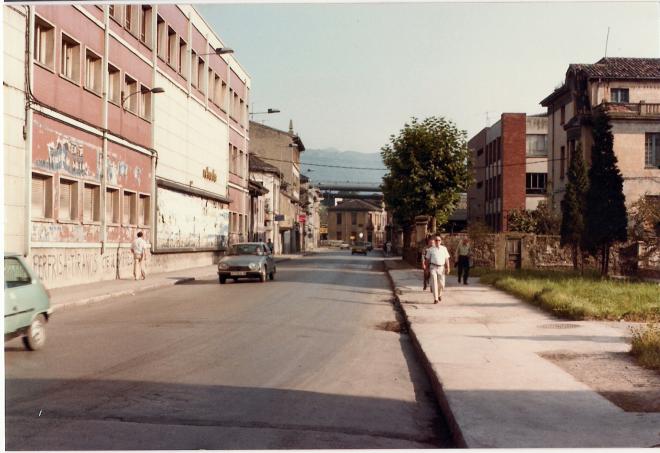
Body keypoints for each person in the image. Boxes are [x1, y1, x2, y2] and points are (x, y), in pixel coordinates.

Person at [424, 235, 451, 304]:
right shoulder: (431, 249)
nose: (437, 241)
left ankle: (439, 294)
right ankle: (435, 298)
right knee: (434, 282)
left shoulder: (444, 249)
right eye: (436, 240)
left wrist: (448, 267)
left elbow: (447, 259)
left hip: (441, 268)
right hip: (433, 267)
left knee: (442, 284)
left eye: (439, 240)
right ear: (434, 241)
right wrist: (426, 268)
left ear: (441, 241)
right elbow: (427, 260)